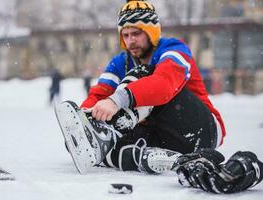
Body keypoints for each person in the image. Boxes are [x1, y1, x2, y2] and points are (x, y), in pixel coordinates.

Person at [74, 0, 262, 193]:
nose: (131, 41)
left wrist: (116, 101)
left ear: (152, 32)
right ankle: (150, 157)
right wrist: (84, 122)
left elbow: (163, 85)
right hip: (162, 136)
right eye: (126, 34)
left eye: (136, 33)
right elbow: (99, 95)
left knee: (145, 74)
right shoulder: (120, 62)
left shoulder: (174, 48)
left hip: (202, 128)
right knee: (108, 140)